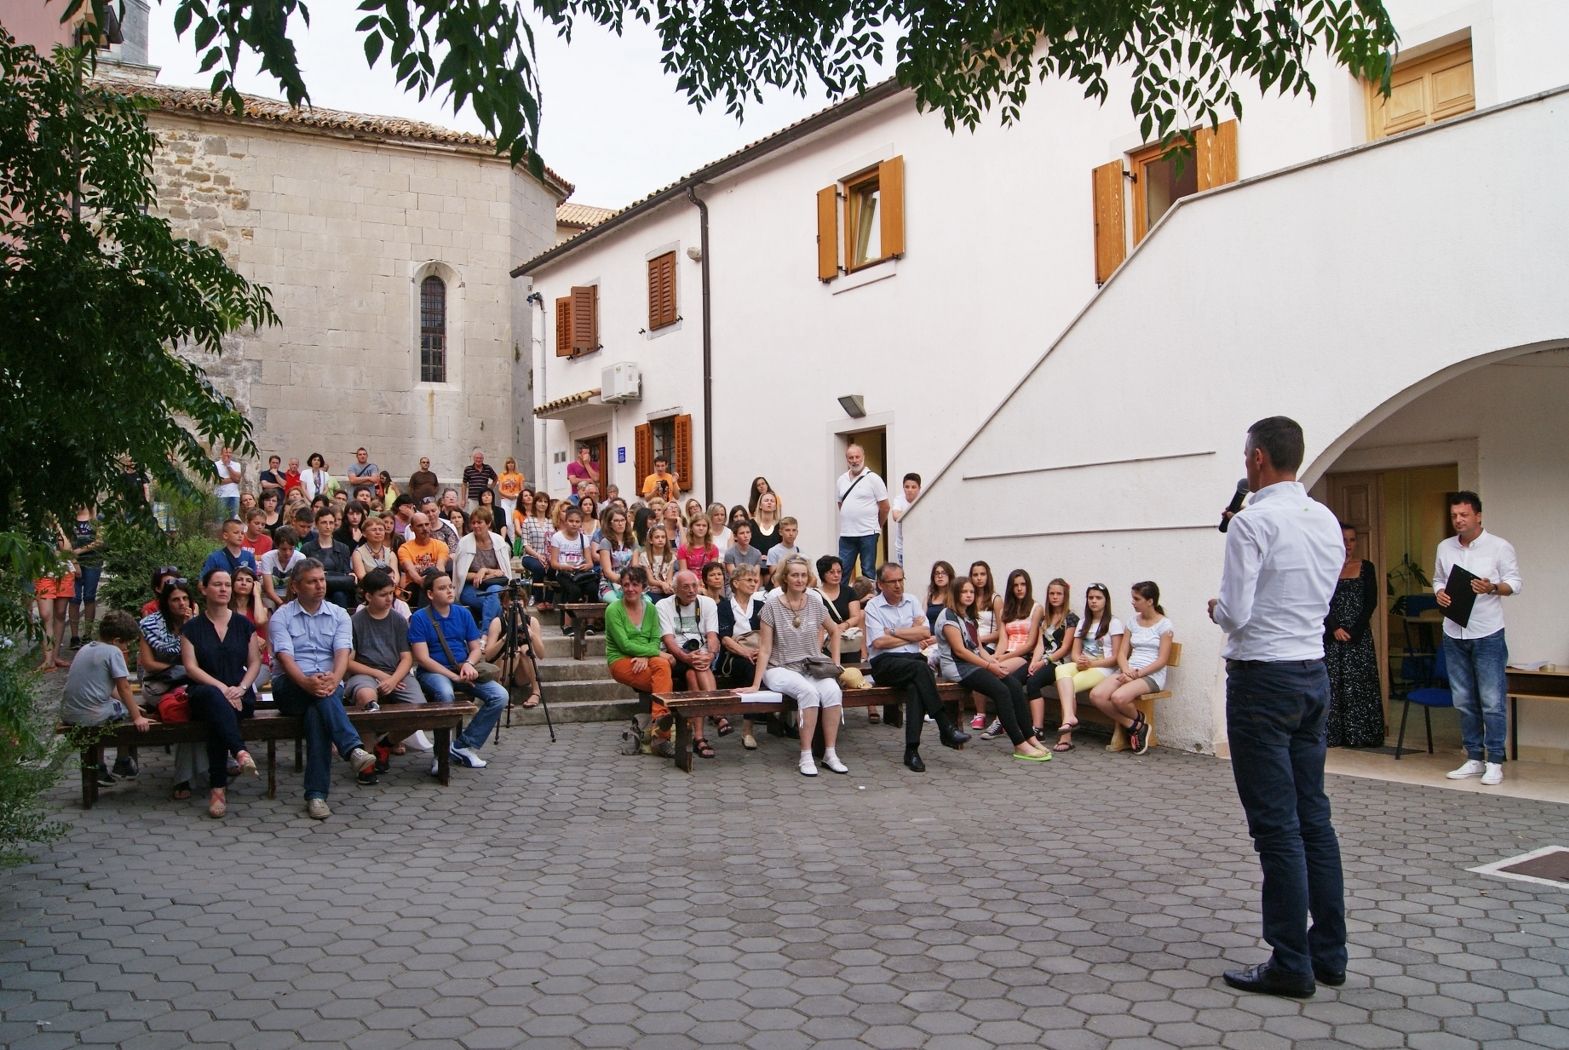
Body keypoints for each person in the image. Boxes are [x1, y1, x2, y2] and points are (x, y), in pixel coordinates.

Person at [1207, 415, 1347, 999]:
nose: (1245, 466)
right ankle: (1329, 952)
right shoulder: (1326, 519)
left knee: (1277, 829)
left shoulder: (1252, 522)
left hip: (1263, 680)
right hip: (1312, 674)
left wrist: (1215, 607)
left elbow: (1236, 612)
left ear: (1259, 458)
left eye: (1246, 457)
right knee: (1314, 817)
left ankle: (1289, 960)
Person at [271, 560, 378, 820]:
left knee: (318, 714)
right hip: (291, 686)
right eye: (312, 581)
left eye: (321, 579)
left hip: (328, 685)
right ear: (296, 587)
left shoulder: (339, 614)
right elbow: (286, 659)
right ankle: (352, 748)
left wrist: (334, 679)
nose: (320, 586)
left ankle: (317, 797)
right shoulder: (282, 616)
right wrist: (307, 682)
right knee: (320, 696)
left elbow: (342, 653)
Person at [1435, 491, 1521, 786]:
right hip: (1453, 632)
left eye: (1464, 515)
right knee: (1462, 699)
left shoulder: (1499, 547)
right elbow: (1437, 579)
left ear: (1478, 515)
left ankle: (1495, 760)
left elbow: (1515, 583)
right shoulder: (1445, 548)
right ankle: (1473, 757)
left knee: (1491, 700)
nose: (1458, 520)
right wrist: (1439, 593)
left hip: (1487, 633)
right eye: (1454, 516)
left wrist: (1492, 587)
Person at [740, 556, 847, 777]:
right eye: (794, 575)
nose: (799, 579)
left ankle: (830, 753)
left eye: (803, 575)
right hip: (779, 667)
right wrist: (755, 684)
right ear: (785, 578)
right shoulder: (772, 606)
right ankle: (806, 755)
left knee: (833, 691)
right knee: (808, 692)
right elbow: (766, 649)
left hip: (811, 666)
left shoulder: (815, 602)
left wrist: (835, 665)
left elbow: (835, 630)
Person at [863, 563, 971, 771]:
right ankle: (944, 725)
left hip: (912, 660)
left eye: (900, 580)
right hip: (885, 663)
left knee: (916, 686)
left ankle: (912, 751)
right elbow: (878, 643)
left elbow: (924, 633)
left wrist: (893, 631)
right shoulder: (873, 607)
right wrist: (909, 633)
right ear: (880, 584)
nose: (898, 585)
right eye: (892, 581)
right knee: (922, 670)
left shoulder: (911, 600)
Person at [936, 577, 1052, 762]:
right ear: (955, 594)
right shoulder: (948, 616)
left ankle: (1030, 737)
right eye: (964, 592)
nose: (968, 595)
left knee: (1013, 685)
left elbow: (979, 649)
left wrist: (995, 664)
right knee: (1001, 691)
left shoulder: (968, 616)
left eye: (971, 592)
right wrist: (990, 667)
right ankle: (1019, 744)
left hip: (972, 664)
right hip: (958, 668)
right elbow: (961, 651)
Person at [181, 569, 264, 819]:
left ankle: (218, 787)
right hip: (205, 692)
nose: (224, 589)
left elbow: (255, 663)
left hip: (239, 693)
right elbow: (190, 667)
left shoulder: (243, 624)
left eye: (227, 584)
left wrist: (241, 688)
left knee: (220, 717)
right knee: (215, 701)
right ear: (204, 589)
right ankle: (239, 751)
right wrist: (222, 689)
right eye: (217, 584)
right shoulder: (192, 628)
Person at [408, 569, 509, 769]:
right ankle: (440, 754)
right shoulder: (420, 618)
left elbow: (474, 648)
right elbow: (422, 658)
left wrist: (469, 665)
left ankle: (464, 745)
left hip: (463, 668)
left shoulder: (463, 613)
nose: (449, 591)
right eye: (442, 588)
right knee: (445, 695)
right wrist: (453, 677)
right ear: (430, 594)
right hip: (434, 672)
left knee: (500, 695)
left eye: (451, 587)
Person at [60, 610, 150, 786]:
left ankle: (100, 766)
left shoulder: (86, 648)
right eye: (126, 645)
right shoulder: (112, 652)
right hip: (90, 715)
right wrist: (137, 715)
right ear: (116, 641)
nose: (126, 650)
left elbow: (109, 689)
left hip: (69, 712)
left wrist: (127, 704)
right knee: (126, 715)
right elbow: (123, 687)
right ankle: (123, 762)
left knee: (118, 707)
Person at [346, 569, 424, 771]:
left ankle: (386, 744)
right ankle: (367, 759)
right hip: (365, 674)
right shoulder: (356, 621)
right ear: (368, 596)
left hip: (396, 673)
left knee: (420, 710)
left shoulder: (398, 620)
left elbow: (407, 657)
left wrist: (393, 678)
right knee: (366, 697)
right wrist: (381, 676)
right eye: (383, 594)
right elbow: (348, 662)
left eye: (391, 593)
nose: (389, 598)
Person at [1087, 581, 1174, 754]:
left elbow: (1162, 660)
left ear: (1150, 601)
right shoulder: (1132, 622)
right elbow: (1121, 653)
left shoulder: (1165, 625)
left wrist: (1136, 674)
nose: (1132, 602)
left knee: (1118, 698)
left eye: (1137, 598)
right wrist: (1126, 670)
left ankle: (1137, 723)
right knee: (1096, 695)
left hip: (1151, 675)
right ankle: (1136, 725)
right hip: (1129, 670)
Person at [605, 566, 678, 752]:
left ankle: (657, 728)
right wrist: (654, 653)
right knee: (663, 677)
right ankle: (661, 733)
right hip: (621, 660)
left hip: (646, 658)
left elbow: (655, 640)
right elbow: (624, 645)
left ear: (643, 587)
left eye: (635, 584)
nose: (630, 589)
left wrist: (646, 655)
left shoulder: (651, 609)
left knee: (662, 668)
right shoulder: (613, 610)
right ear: (620, 586)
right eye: (626, 584)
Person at [1324, 524, 1383, 748]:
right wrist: (1335, 628)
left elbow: (1371, 602)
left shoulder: (1366, 567)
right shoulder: (1326, 568)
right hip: (1332, 634)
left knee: (1360, 683)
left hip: (1357, 636)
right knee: (1333, 683)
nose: (1348, 545)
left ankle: (1360, 734)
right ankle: (1333, 735)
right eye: (1343, 539)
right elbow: (1322, 600)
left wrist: (1354, 630)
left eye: (1352, 540)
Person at [657, 570, 722, 758]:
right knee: (696, 666)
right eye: (686, 587)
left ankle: (699, 738)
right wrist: (686, 657)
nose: (692, 590)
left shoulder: (708, 603)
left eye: (694, 585)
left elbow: (712, 636)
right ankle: (716, 712)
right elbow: (669, 641)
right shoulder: (663, 605)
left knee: (694, 673)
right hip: (676, 656)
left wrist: (710, 655)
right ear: (675, 589)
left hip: (701, 657)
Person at [1052, 583, 1124, 752]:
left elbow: (1115, 658)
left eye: (1098, 598)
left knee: (1069, 686)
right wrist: (1080, 660)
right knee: (1060, 670)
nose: (1094, 601)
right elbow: (1075, 652)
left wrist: (1092, 663)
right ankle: (1070, 718)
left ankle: (1066, 737)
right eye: (1091, 598)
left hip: (1103, 669)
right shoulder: (1084, 622)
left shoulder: (1114, 623)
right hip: (1084, 665)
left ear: (1106, 601)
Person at [986, 569, 1042, 739]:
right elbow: (1003, 640)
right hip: (1008, 652)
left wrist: (1002, 659)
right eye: (1015, 585)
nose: (1019, 588)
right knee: (991, 670)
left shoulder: (1036, 608)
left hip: (1024, 655)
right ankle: (1003, 720)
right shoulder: (1005, 611)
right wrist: (995, 656)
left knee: (1000, 672)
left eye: (1023, 584)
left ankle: (1001, 721)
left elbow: (1030, 644)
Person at [1024, 579, 1078, 748]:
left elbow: (1065, 648)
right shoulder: (1044, 618)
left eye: (1059, 594)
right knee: (1025, 676)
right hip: (1044, 662)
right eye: (1052, 594)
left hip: (1060, 663)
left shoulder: (1071, 619)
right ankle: (1033, 728)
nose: (1055, 597)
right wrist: (1034, 662)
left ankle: (1038, 728)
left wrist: (1044, 661)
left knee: (1033, 681)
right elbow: (1040, 645)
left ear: (1065, 596)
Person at [717, 563, 767, 748]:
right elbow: (725, 639)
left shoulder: (762, 605)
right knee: (751, 670)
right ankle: (748, 730)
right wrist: (746, 652)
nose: (754, 583)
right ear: (736, 583)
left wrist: (761, 651)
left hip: (760, 652)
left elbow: (769, 633)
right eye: (749, 579)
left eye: (755, 580)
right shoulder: (724, 607)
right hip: (734, 657)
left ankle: (787, 719)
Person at [835, 444, 890, 583]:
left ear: (863, 457)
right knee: (842, 571)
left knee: (868, 571)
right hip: (847, 534)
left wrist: (877, 526)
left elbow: (885, 507)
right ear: (847, 460)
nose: (854, 460)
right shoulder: (841, 480)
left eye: (857, 457)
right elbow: (840, 504)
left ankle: (868, 602)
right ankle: (842, 602)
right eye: (851, 457)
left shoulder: (874, 479)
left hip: (868, 533)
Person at [454, 506, 513, 630]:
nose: (476, 526)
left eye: (479, 522)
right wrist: (479, 575)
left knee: (494, 591)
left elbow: (502, 571)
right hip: (471, 587)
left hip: (494, 586)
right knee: (494, 602)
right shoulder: (465, 543)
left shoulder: (498, 541)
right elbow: (461, 574)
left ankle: (484, 634)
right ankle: (490, 634)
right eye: (473, 523)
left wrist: (484, 571)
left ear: (488, 523)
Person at [549, 504, 598, 636]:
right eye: (571, 521)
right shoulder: (557, 537)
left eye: (577, 522)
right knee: (573, 590)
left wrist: (584, 566)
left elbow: (590, 563)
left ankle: (590, 623)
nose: (574, 524)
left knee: (592, 589)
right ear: (566, 521)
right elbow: (553, 563)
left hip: (580, 572)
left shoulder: (583, 538)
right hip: (564, 572)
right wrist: (565, 566)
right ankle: (567, 623)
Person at [300, 508, 356, 610]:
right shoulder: (307, 548)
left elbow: (346, 572)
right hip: (314, 588)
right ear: (316, 525)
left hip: (338, 589)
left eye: (331, 523)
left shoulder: (343, 548)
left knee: (339, 595)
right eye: (324, 523)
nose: (328, 526)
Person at [67, 505, 104, 649]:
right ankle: (74, 636)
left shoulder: (98, 518)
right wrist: (74, 560)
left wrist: (80, 551)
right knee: (74, 598)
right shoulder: (69, 520)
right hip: (74, 562)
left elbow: (100, 541)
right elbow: (66, 543)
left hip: (93, 561)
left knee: (89, 597)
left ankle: (87, 634)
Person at [397, 512, 451, 609]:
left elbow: (440, 568)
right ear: (412, 528)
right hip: (414, 587)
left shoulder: (441, 545)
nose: (425, 528)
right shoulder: (404, 548)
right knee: (432, 574)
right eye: (420, 526)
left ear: (430, 525)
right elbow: (410, 571)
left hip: (436, 587)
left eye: (427, 524)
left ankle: (425, 619)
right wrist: (423, 582)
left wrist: (433, 583)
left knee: (432, 572)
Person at [519, 490, 555, 609]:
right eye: (540, 501)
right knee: (538, 568)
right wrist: (538, 556)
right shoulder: (527, 521)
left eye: (545, 502)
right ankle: (538, 598)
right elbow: (526, 544)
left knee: (552, 568)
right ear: (535, 503)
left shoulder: (551, 522)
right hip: (531, 555)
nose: (543, 504)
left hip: (549, 556)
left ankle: (549, 600)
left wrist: (548, 557)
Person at [352, 513, 402, 594]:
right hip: (369, 592)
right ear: (364, 534)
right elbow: (362, 576)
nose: (378, 532)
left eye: (381, 529)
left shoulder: (390, 553)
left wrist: (389, 586)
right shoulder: (358, 553)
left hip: (390, 590)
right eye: (374, 530)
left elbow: (396, 576)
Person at [596, 506, 636, 601]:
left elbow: (635, 568)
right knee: (618, 603)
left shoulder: (632, 542)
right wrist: (623, 582)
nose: (620, 523)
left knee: (646, 602)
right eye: (616, 521)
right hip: (609, 584)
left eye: (622, 520)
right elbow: (607, 572)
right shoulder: (605, 542)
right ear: (610, 524)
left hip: (630, 583)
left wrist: (630, 583)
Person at [259, 526, 305, 609]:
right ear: (277, 546)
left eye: (291, 549)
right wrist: (281, 603)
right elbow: (269, 589)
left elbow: (300, 585)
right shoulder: (267, 558)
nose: (287, 553)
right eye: (283, 549)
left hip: (291, 595)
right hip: (270, 595)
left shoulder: (300, 558)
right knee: (269, 607)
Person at [635, 523, 678, 601]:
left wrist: (668, 585)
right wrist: (662, 584)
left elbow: (669, 578)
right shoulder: (644, 556)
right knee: (658, 602)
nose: (660, 539)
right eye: (657, 537)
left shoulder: (671, 556)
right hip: (651, 590)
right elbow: (650, 580)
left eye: (663, 537)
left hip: (666, 589)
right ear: (651, 540)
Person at [889, 472, 920, 567]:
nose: (910, 490)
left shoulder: (923, 498)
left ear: (919, 488)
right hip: (902, 546)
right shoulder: (899, 499)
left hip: (919, 544)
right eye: (907, 487)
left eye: (913, 487)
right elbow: (896, 516)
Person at [213, 445, 244, 519]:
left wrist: (228, 466)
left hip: (234, 495)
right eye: (226, 452)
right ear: (221, 454)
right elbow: (218, 481)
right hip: (221, 496)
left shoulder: (236, 465)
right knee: (220, 518)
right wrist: (234, 479)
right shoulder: (215, 465)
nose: (228, 454)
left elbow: (238, 479)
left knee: (234, 518)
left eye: (230, 452)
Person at [750, 494, 783, 563]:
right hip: (753, 565)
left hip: (775, 566)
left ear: (775, 507)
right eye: (766, 500)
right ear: (760, 505)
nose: (769, 502)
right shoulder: (750, 524)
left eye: (772, 501)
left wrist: (771, 558)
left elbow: (783, 547)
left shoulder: (781, 525)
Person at [497, 457, 525, 523]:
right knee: (507, 520)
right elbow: (500, 489)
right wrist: (508, 496)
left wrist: (515, 495)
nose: (510, 464)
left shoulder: (519, 475)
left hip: (515, 498)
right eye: (508, 463)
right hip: (505, 499)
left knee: (514, 518)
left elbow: (522, 489)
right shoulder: (502, 475)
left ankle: (514, 533)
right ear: (506, 465)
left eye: (512, 463)